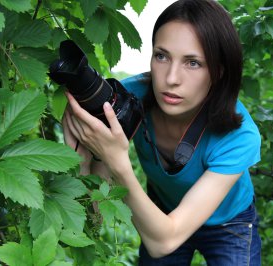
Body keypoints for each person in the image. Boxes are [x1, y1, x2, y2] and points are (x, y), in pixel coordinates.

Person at [62, 0, 262, 265]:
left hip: (229, 221)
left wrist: (118, 162)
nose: (170, 79)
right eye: (162, 56)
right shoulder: (130, 99)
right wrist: (85, 161)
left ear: (219, 71)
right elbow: (96, 217)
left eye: (193, 63)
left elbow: (163, 243)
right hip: (162, 209)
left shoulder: (239, 135)